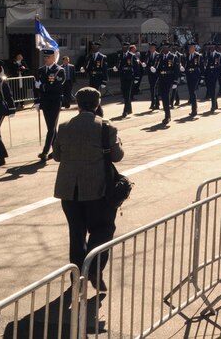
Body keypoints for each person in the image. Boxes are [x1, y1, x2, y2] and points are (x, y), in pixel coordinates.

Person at [52, 87, 123, 293]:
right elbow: (117, 156)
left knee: (76, 233)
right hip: (97, 189)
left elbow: (57, 156)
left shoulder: (64, 126)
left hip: (68, 189)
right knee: (102, 229)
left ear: (78, 104)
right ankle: (93, 268)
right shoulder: (105, 127)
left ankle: (77, 278)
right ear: (98, 104)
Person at [34, 49, 66, 160]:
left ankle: (45, 152)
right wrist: (36, 101)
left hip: (55, 102)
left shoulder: (59, 70)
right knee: (51, 128)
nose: (45, 59)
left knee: (51, 127)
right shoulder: (41, 70)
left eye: (48, 57)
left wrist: (42, 87)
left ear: (53, 57)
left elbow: (56, 87)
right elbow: (36, 87)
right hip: (44, 102)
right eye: (44, 57)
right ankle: (58, 151)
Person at [155, 41, 178, 125]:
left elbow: (176, 70)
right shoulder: (159, 56)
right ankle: (167, 114)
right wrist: (155, 70)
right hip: (162, 78)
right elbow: (157, 66)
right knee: (164, 97)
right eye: (163, 47)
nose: (164, 48)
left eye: (166, 47)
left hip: (169, 78)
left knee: (166, 97)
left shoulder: (173, 57)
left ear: (169, 48)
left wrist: (175, 81)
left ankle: (167, 116)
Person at [117, 44, 140, 117]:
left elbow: (136, 67)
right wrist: (116, 67)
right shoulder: (120, 55)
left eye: (125, 47)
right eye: (122, 47)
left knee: (127, 93)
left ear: (127, 48)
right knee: (124, 93)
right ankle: (129, 109)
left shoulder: (132, 55)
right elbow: (118, 64)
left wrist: (136, 77)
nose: (123, 48)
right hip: (122, 76)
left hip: (130, 76)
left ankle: (125, 111)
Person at [203, 41, 221, 113]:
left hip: (215, 74)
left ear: (215, 47)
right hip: (208, 74)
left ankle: (213, 106)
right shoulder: (207, 55)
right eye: (210, 46)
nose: (210, 47)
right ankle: (215, 104)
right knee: (210, 89)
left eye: (212, 46)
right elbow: (205, 65)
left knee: (214, 90)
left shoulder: (219, 55)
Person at [184, 42, 202, 117]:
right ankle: (193, 109)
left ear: (194, 48)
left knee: (193, 91)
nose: (190, 49)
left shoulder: (197, 55)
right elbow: (186, 65)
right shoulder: (187, 55)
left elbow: (200, 66)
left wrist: (202, 77)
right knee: (190, 91)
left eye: (191, 47)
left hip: (195, 75)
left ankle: (194, 110)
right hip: (189, 75)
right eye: (189, 47)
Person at [142, 42, 161, 110]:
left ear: (154, 48)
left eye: (152, 47)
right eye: (150, 47)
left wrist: (155, 68)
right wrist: (145, 64)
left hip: (156, 74)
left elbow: (157, 63)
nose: (151, 48)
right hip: (150, 73)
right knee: (152, 88)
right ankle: (154, 103)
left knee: (155, 88)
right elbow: (146, 61)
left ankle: (156, 103)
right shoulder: (148, 54)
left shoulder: (158, 55)